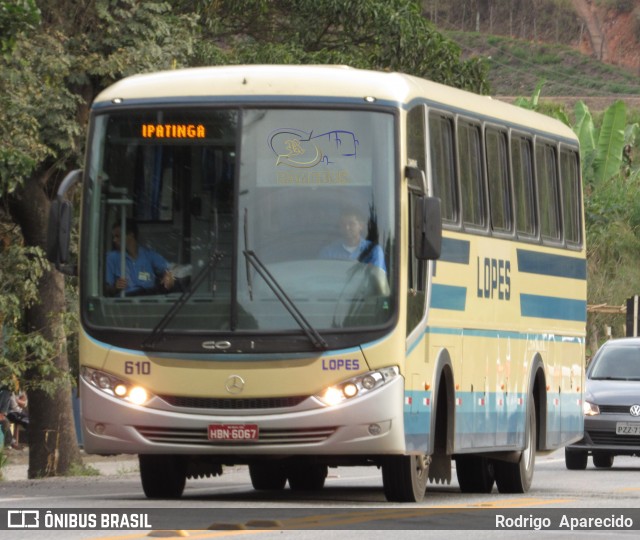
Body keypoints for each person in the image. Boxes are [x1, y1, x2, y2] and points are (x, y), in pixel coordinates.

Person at [105, 219, 175, 296]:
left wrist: (169, 276)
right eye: (114, 237)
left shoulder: (148, 254)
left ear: (131, 235)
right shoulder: (111, 258)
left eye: (118, 236)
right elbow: (106, 289)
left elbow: (170, 268)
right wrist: (115, 287)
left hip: (148, 299)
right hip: (125, 301)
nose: (114, 240)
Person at [319, 207, 386, 271]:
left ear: (361, 226)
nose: (347, 228)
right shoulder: (328, 252)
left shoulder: (373, 251)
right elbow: (321, 277)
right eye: (343, 224)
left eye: (351, 224)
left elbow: (377, 279)